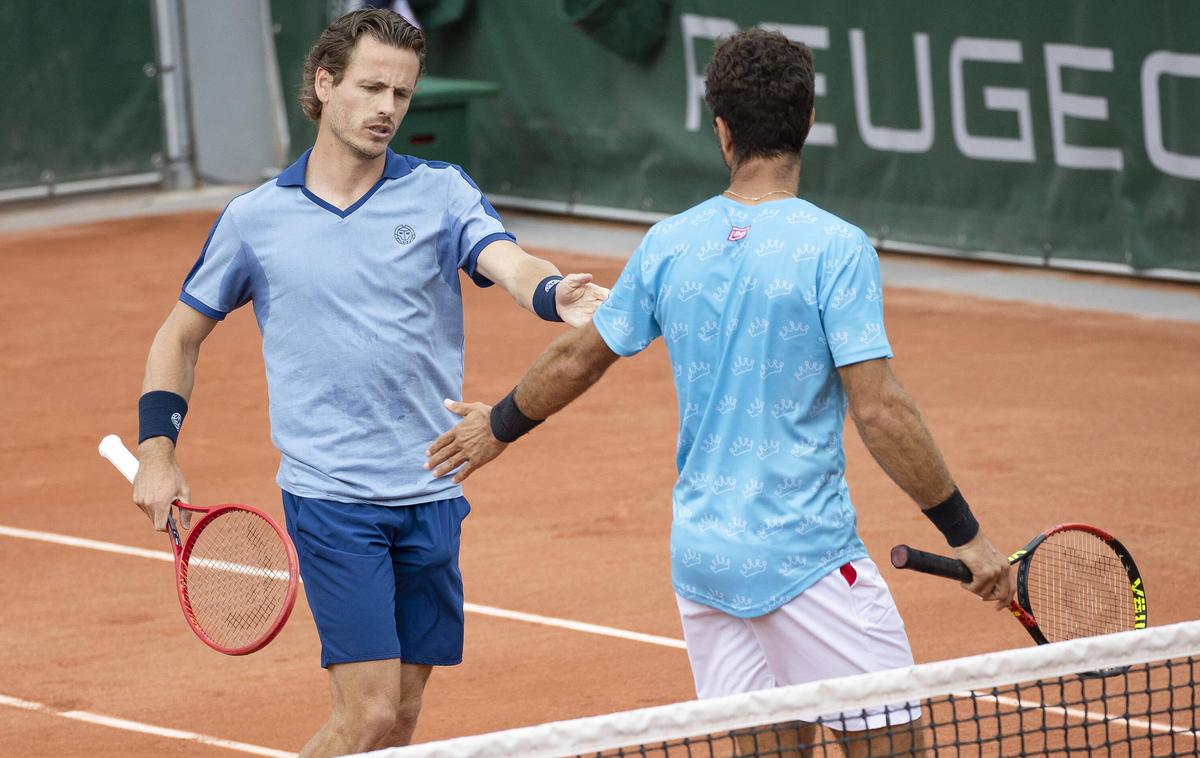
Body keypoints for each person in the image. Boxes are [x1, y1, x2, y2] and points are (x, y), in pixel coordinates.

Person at [426, 28, 1012, 755]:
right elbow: (881, 408)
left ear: (723, 131)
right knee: (890, 746)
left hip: (704, 563)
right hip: (805, 560)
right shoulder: (836, 247)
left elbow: (580, 355)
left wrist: (498, 426)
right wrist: (969, 538)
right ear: (806, 124)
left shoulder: (671, 242)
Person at [130, 9, 607, 757]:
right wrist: (157, 450)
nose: (388, 107)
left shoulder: (443, 192)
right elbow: (178, 335)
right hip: (333, 497)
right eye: (371, 87)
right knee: (369, 714)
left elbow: (508, 261)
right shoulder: (257, 219)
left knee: (405, 718)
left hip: (432, 488)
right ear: (325, 84)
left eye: (403, 94)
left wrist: (553, 296)